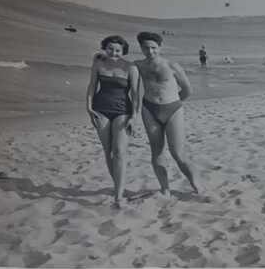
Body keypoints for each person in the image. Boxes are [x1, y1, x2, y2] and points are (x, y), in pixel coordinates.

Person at [135, 32, 202, 195]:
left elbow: (187, 90)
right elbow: (120, 69)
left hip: (173, 109)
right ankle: (165, 188)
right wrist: (100, 58)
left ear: (160, 47)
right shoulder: (138, 66)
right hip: (149, 110)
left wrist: (174, 103)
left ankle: (197, 185)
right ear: (141, 48)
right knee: (156, 152)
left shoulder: (172, 66)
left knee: (178, 153)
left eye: (153, 48)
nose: (150, 51)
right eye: (146, 48)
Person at [87, 35, 140, 207]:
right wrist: (88, 107)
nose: (114, 53)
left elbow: (136, 94)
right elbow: (92, 86)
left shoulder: (129, 67)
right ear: (105, 48)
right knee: (107, 150)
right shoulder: (98, 63)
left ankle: (118, 196)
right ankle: (119, 186)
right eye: (110, 49)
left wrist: (134, 116)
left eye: (117, 50)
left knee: (119, 151)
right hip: (100, 109)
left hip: (123, 111)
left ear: (123, 51)